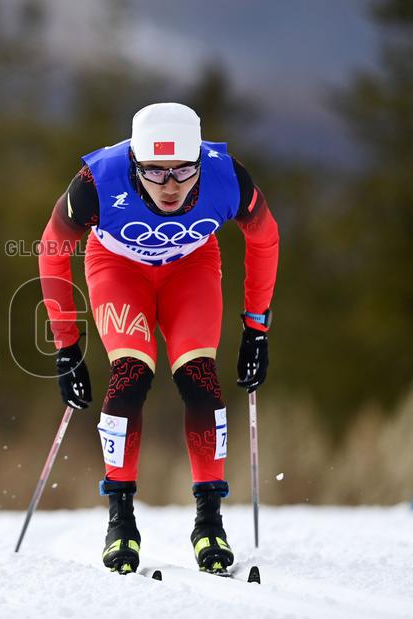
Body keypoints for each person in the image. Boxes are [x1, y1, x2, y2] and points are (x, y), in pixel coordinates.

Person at [37, 102, 279, 575]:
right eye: (153, 172)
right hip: (117, 269)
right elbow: (52, 250)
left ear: (199, 161)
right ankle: (121, 520)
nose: (170, 186)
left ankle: (209, 521)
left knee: (199, 378)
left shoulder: (227, 177)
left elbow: (265, 239)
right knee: (130, 376)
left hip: (191, 269)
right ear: (134, 163)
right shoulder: (96, 181)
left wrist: (256, 328)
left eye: (183, 171)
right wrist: (67, 347)